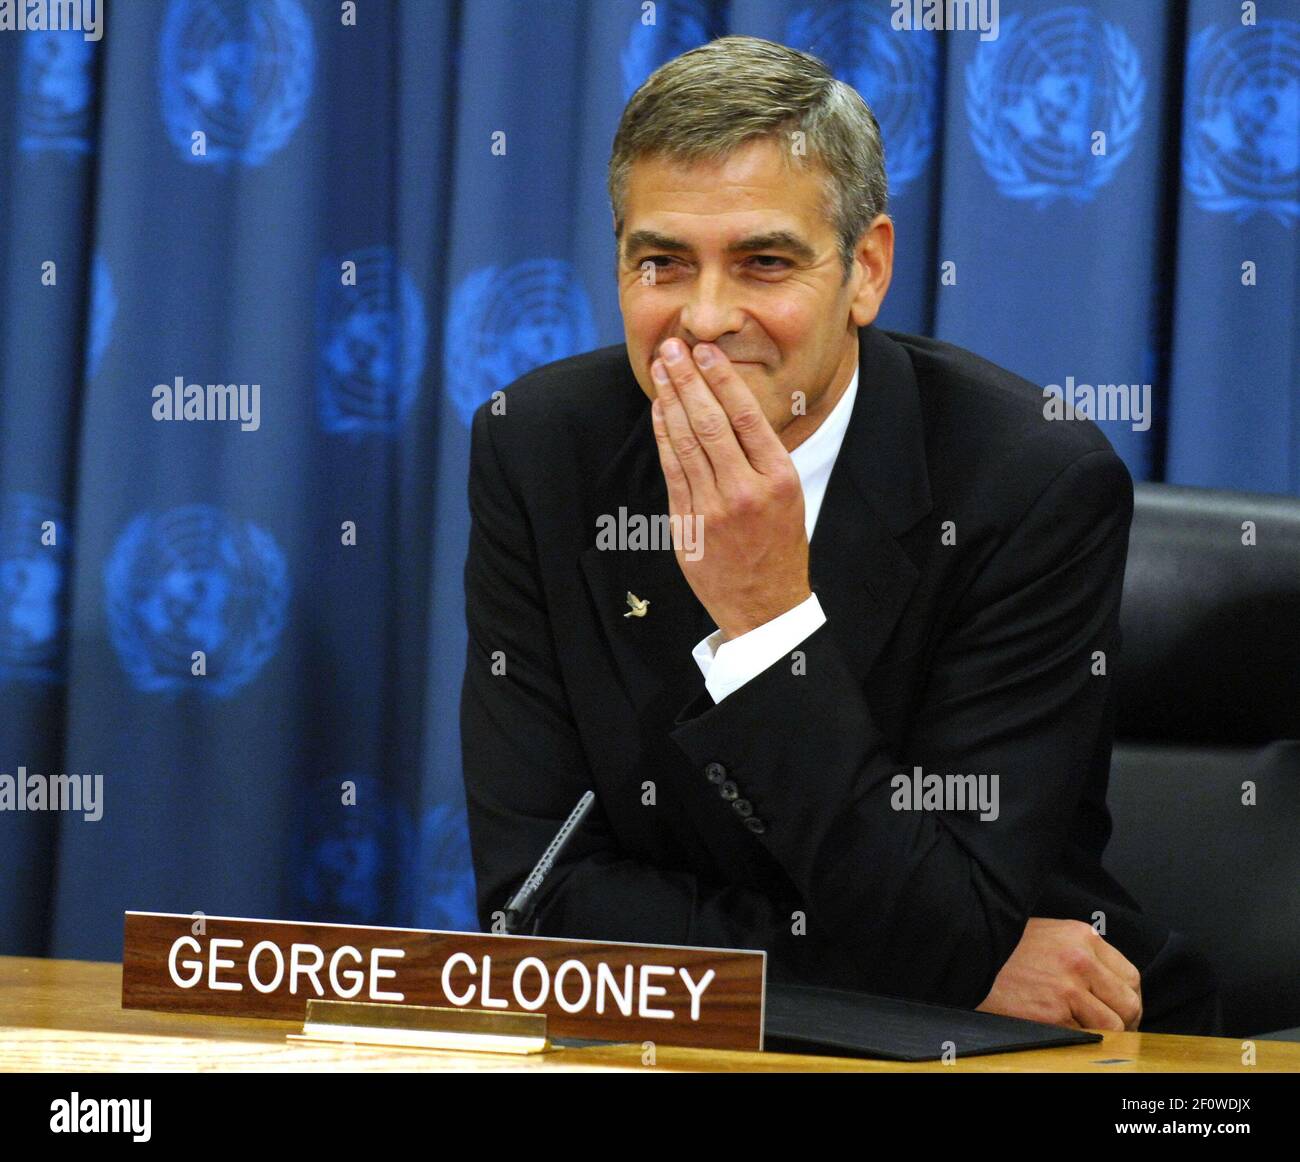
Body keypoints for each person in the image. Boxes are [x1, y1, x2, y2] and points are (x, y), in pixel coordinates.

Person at [460, 36, 1221, 1035]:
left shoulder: (1028, 484)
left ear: (865, 270)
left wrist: (768, 623)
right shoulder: (542, 449)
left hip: (1029, 1048)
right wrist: (917, 964)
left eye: (764, 262)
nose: (705, 316)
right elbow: (540, 909)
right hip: (713, 1040)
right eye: (661, 263)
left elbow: (944, 923)